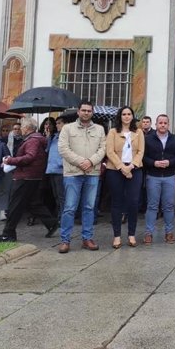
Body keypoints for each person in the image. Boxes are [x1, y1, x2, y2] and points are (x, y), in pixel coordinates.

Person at [0, 118, 58, 242]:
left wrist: (10, 160)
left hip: (26, 176)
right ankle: (51, 223)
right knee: (33, 203)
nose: (21, 128)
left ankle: (8, 233)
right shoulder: (36, 139)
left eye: (22, 126)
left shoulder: (32, 140)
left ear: (28, 128)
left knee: (14, 205)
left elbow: (30, 157)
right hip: (33, 176)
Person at [57, 101, 107, 253]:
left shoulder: (99, 129)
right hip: (73, 173)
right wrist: (81, 162)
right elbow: (63, 149)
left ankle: (87, 238)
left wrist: (91, 161)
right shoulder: (67, 128)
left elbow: (103, 148)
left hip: (92, 173)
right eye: (83, 110)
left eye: (89, 111)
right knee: (70, 208)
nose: (86, 113)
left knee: (89, 207)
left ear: (92, 113)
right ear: (78, 111)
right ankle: (65, 240)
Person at [105, 106, 144, 248]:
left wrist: (131, 166)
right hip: (115, 170)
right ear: (120, 116)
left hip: (134, 169)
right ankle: (116, 236)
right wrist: (122, 167)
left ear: (132, 116)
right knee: (117, 202)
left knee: (133, 202)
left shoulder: (139, 132)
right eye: (124, 114)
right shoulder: (113, 132)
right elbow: (109, 151)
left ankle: (131, 234)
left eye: (129, 114)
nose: (126, 116)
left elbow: (141, 152)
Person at [143, 114, 175, 245]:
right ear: (156, 124)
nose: (162, 125)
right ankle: (149, 233)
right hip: (153, 176)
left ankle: (169, 233)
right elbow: (143, 157)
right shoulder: (148, 139)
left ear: (168, 124)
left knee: (169, 206)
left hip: (169, 177)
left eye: (165, 123)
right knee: (152, 206)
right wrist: (154, 163)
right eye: (160, 123)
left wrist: (170, 162)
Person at [46, 117, 65, 223]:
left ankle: (63, 217)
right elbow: (47, 150)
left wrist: (61, 163)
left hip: (60, 169)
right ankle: (59, 215)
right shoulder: (54, 137)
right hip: (51, 169)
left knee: (61, 195)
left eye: (59, 123)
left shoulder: (65, 136)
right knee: (56, 195)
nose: (57, 125)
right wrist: (48, 138)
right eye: (56, 123)